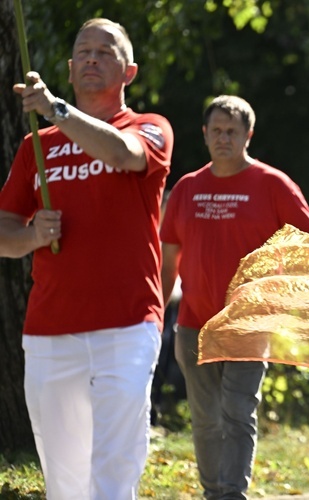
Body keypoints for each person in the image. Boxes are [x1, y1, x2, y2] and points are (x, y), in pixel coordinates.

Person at [0, 18, 173, 499]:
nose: (92, 58)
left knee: (114, 467)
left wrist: (56, 109)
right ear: (72, 68)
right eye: (84, 52)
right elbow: (4, 231)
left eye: (106, 50)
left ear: (128, 71)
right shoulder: (37, 145)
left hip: (127, 324)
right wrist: (33, 235)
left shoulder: (150, 128)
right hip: (49, 329)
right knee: (65, 479)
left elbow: (123, 154)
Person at [160, 95, 309, 499]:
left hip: (249, 323)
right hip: (193, 324)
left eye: (232, 131)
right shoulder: (187, 188)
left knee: (237, 413)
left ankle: (229, 494)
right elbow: (168, 259)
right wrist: (156, 313)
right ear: (204, 134)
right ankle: (214, 490)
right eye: (216, 130)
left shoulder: (272, 184)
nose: (223, 138)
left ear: (248, 135)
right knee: (205, 419)